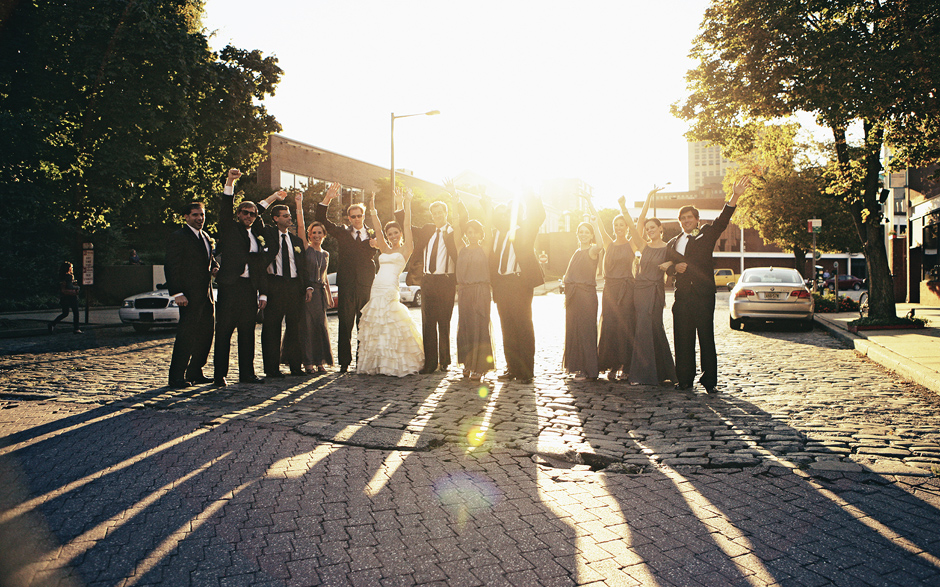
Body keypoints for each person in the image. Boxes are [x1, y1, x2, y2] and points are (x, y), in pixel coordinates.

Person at [669, 175, 751, 393]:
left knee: (706, 338)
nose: (686, 221)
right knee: (683, 340)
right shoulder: (673, 242)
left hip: (703, 296)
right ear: (680, 222)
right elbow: (664, 265)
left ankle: (709, 381)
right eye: (682, 219)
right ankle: (684, 379)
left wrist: (735, 196)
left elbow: (722, 221)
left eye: (689, 218)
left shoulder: (705, 234)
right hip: (682, 298)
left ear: (696, 219)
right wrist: (673, 269)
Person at [213, 168, 281, 387]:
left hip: (248, 288)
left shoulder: (258, 233)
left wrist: (262, 292)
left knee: (247, 332)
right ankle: (219, 374)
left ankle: (247, 373)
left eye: (252, 214)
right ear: (239, 214)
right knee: (223, 331)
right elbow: (225, 208)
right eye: (244, 212)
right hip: (229, 286)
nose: (249, 216)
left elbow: (260, 267)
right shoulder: (230, 228)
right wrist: (230, 182)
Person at [356, 191, 423, 376]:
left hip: (390, 288)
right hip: (376, 287)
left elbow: (408, 224)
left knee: (391, 320)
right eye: (389, 233)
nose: (392, 236)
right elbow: (377, 229)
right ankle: (378, 362)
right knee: (377, 323)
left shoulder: (406, 248)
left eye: (395, 233)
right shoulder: (383, 248)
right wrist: (372, 209)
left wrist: (406, 203)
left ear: (400, 233)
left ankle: (393, 363)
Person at [395, 187, 457, 374]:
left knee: (444, 322)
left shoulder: (454, 232)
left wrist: (456, 199)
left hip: (446, 281)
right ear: (432, 215)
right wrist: (401, 204)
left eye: (440, 212)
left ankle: (444, 361)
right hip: (428, 281)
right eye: (434, 213)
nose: (437, 215)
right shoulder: (427, 231)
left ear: (446, 213)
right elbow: (405, 225)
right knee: (428, 322)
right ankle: (430, 363)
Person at [316, 188, 378, 373]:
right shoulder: (342, 232)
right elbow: (322, 220)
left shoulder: (374, 234)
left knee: (364, 325)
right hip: (347, 284)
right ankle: (344, 362)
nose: (357, 219)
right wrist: (327, 198)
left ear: (364, 216)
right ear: (348, 218)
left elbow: (391, 245)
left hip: (366, 285)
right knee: (345, 324)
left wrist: (379, 245)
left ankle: (362, 361)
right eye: (353, 216)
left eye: (359, 215)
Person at [627, 187, 683, 386]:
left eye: (653, 227)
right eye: (648, 228)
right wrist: (648, 198)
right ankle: (641, 375)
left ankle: (662, 372)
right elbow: (638, 223)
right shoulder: (643, 246)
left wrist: (670, 264)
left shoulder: (669, 247)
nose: (649, 230)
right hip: (640, 292)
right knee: (642, 330)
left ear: (661, 229)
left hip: (656, 294)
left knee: (656, 329)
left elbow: (680, 265)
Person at [490, 193, 545, 383]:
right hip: (502, 285)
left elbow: (539, 215)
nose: (508, 215)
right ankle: (512, 368)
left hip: (520, 284)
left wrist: (530, 192)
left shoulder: (526, 230)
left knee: (523, 327)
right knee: (507, 328)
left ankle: (526, 372)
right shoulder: (501, 233)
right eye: (507, 212)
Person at [165, 201, 218, 388]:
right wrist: (178, 293)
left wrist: (215, 267)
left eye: (202, 215)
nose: (200, 219)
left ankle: (195, 371)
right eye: (195, 215)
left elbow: (208, 260)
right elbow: (172, 265)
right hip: (188, 296)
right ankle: (176, 376)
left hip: (207, 296)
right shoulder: (179, 236)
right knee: (186, 336)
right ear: (186, 217)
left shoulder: (205, 236)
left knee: (206, 335)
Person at [259, 198, 313, 378]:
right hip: (275, 285)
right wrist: (272, 198)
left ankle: (295, 367)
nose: (289, 219)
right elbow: (256, 216)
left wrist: (307, 287)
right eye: (285, 216)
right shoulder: (269, 233)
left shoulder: (296, 241)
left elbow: (303, 266)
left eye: (290, 216)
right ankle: (271, 369)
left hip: (294, 287)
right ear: (275, 218)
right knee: (272, 328)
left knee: (294, 329)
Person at [451, 190, 494, 381]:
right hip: (465, 291)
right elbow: (455, 226)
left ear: (480, 233)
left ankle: (480, 367)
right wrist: (454, 200)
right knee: (466, 327)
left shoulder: (485, 248)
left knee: (480, 327)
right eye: (469, 231)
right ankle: (468, 364)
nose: (471, 234)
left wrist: (487, 207)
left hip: (481, 291)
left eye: (475, 231)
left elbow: (490, 226)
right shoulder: (461, 247)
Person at [593, 197, 638, 381]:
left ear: (627, 227)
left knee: (625, 327)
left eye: (622, 225)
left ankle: (626, 365)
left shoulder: (632, 244)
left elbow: (639, 225)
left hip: (627, 290)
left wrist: (623, 208)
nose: (619, 228)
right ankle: (611, 365)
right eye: (616, 225)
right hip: (609, 290)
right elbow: (598, 224)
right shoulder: (608, 243)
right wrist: (589, 202)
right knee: (610, 327)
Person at [294, 187, 336, 374]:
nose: (316, 235)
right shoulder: (306, 248)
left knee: (321, 327)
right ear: (310, 235)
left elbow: (325, 277)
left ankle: (320, 362)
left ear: (324, 235)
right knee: (307, 327)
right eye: (314, 233)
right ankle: (308, 362)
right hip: (306, 292)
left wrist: (328, 296)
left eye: (320, 233)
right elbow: (301, 226)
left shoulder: (326, 254)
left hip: (320, 294)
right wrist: (298, 205)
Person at [561, 219, 603, 381]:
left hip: (586, 296)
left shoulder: (592, 251)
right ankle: (578, 366)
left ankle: (589, 370)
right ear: (577, 234)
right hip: (573, 297)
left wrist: (596, 224)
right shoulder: (576, 252)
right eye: (581, 232)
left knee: (586, 331)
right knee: (575, 331)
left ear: (591, 235)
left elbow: (600, 245)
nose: (583, 235)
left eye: (587, 232)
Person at [49, 261, 81, 334]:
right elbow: (70, 286)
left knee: (65, 313)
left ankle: (53, 324)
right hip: (71, 297)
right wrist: (77, 287)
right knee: (76, 312)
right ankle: (76, 328)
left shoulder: (61, 276)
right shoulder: (69, 276)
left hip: (64, 297)